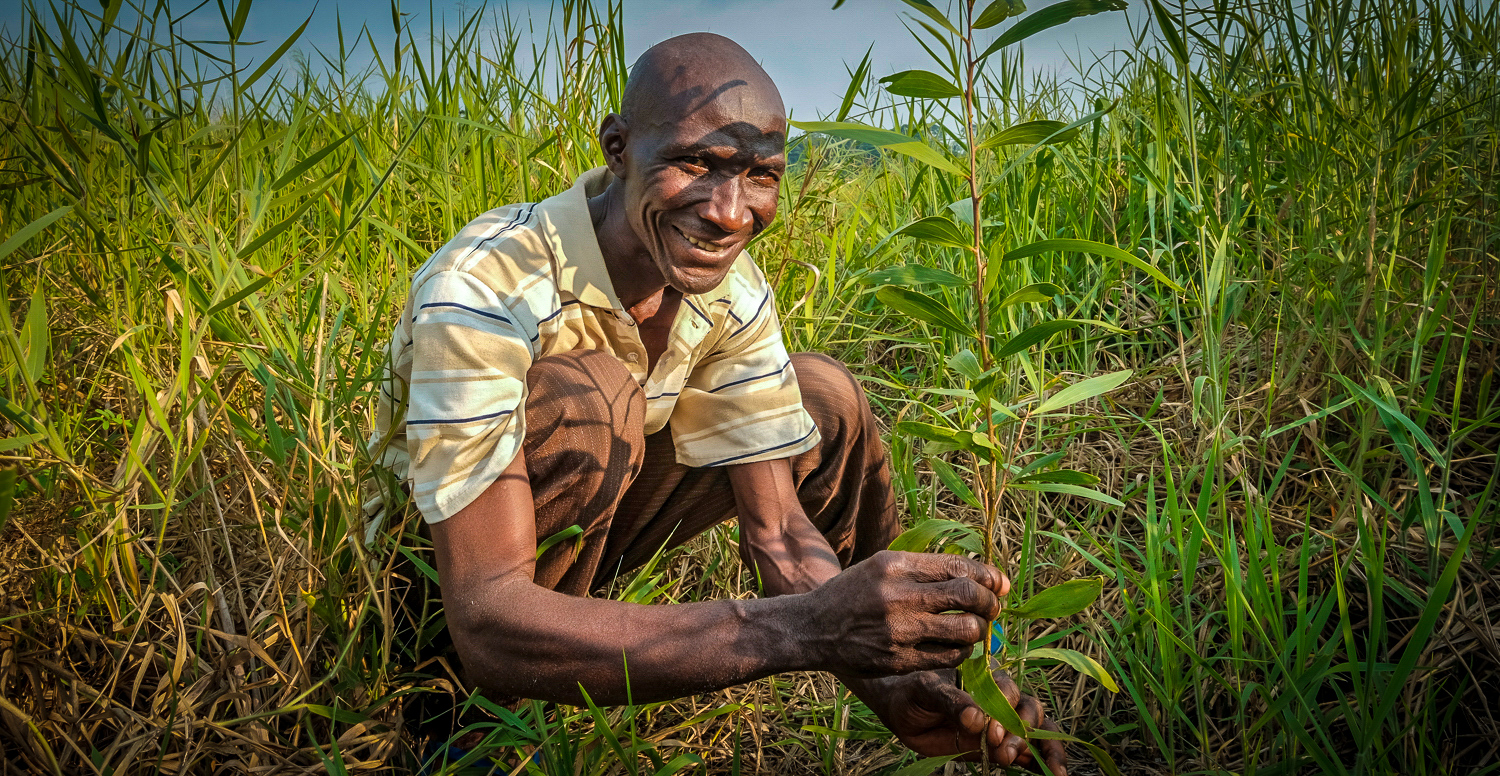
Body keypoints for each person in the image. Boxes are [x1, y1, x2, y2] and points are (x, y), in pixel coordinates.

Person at [370, 31, 1066, 773]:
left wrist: (892, 681)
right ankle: (457, 724)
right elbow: (486, 615)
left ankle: (910, 642)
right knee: (593, 400)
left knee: (823, 396)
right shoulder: (487, 285)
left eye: (760, 175)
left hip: (585, 535)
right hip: (446, 579)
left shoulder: (730, 289)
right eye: (695, 163)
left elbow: (776, 535)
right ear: (617, 146)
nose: (730, 214)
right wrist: (800, 630)